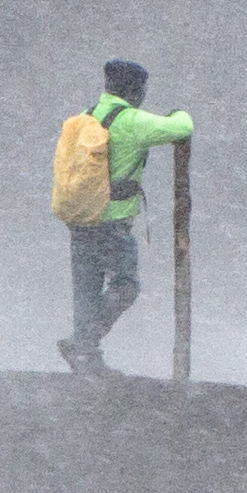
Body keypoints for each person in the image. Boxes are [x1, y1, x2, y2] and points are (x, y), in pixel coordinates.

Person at [63, 58, 194, 372]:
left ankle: (86, 355)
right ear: (136, 90)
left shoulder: (83, 118)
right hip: (112, 222)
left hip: (80, 218)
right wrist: (180, 112)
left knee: (86, 288)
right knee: (126, 284)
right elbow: (182, 127)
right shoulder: (131, 120)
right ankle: (85, 340)